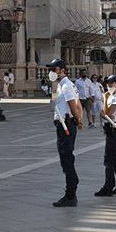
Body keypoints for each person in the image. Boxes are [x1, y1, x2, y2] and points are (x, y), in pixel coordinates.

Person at [48, 59, 83, 207]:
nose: (51, 72)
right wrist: (79, 119)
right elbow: (76, 103)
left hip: (66, 125)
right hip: (63, 124)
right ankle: (71, 188)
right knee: (65, 158)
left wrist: (78, 119)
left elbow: (74, 105)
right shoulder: (62, 85)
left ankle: (71, 193)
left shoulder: (67, 85)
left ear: (62, 70)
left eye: (53, 69)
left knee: (66, 158)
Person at [95, 75, 116, 196]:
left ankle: (108, 187)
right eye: (108, 84)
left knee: (109, 160)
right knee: (115, 159)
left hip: (115, 129)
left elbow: (107, 115)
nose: (109, 86)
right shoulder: (113, 96)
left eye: (111, 84)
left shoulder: (115, 98)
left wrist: (103, 99)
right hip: (112, 128)